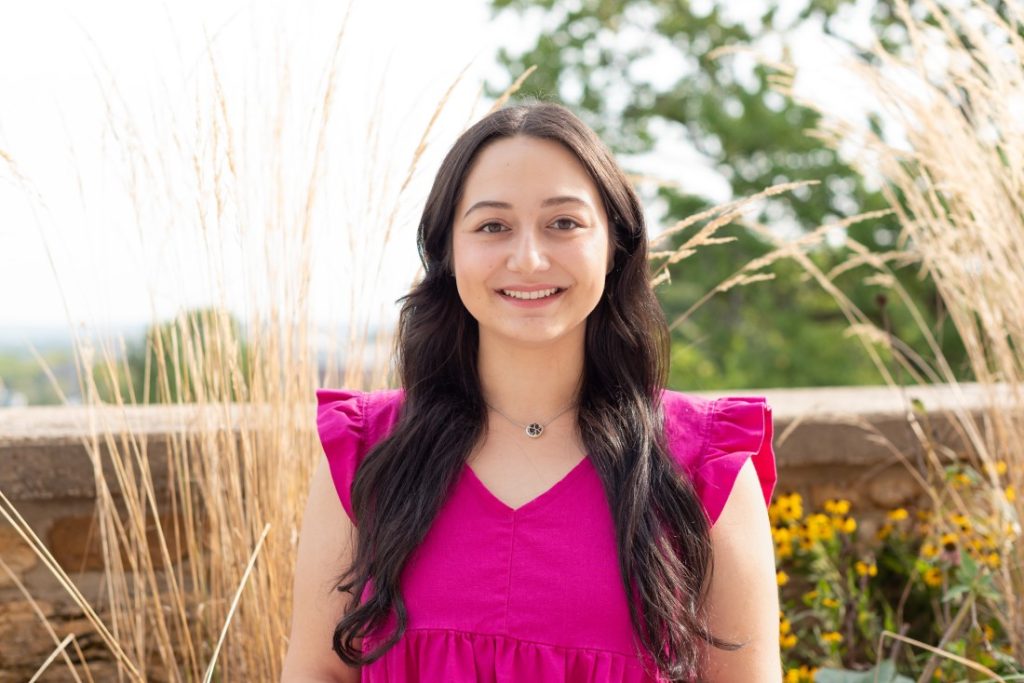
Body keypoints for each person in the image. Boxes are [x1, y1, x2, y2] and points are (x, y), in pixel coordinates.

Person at [281, 101, 781, 682]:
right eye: (493, 226)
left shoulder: (704, 464)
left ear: (615, 243)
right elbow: (319, 671)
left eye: (563, 223)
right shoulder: (367, 453)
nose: (528, 258)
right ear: (446, 251)